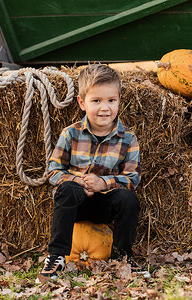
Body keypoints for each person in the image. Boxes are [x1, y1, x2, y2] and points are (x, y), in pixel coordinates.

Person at [39, 64, 142, 279]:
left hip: (105, 204)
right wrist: (79, 182)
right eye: (97, 101)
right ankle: (56, 256)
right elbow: (53, 171)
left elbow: (132, 177)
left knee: (128, 199)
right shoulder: (70, 134)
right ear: (82, 103)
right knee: (66, 189)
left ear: (119, 101)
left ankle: (121, 258)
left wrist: (103, 183)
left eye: (111, 101)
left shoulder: (128, 138)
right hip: (76, 203)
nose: (105, 108)